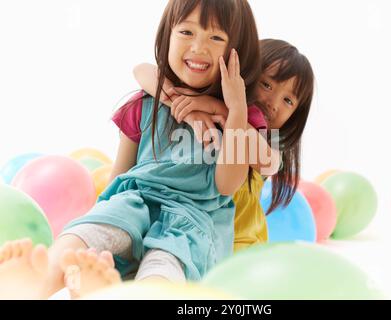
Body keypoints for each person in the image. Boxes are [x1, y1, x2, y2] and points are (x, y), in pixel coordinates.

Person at [0, 0, 261, 300]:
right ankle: (41, 278)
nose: (199, 47)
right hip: (133, 200)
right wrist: (101, 215)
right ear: (167, 35)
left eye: (216, 38)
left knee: (165, 266)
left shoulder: (237, 119)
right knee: (93, 230)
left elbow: (227, 185)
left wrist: (237, 109)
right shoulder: (143, 103)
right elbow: (118, 178)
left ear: (237, 52)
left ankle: (119, 290)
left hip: (189, 223)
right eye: (187, 32)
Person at [133, 38, 315, 252]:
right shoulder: (207, 112)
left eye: (288, 101)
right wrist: (185, 105)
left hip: (241, 244)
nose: (272, 103)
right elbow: (143, 71)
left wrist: (223, 109)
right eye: (266, 85)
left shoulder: (266, 138)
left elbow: (269, 163)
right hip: (192, 234)